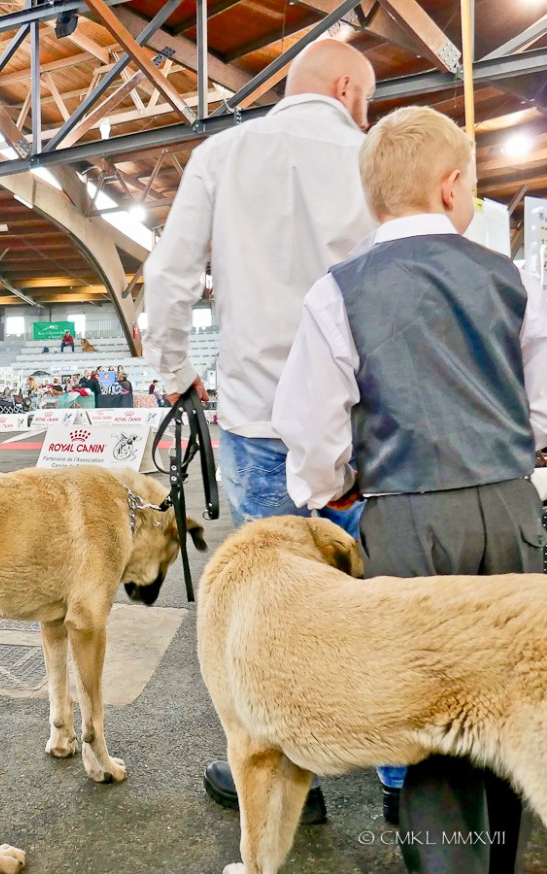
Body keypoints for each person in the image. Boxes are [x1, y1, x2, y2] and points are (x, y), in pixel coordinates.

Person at [272, 105, 547, 874]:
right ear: (453, 186)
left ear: (373, 198)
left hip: (408, 519)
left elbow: (313, 432)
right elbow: (542, 405)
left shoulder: (339, 292)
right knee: (520, 711)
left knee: (433, 721)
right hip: (512, 509)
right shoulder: (512, 278)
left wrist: (331, 492)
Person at [142, 38, 377, 819]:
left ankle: (283, 783)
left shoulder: (223, 152)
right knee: (381, 594)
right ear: (346, 87)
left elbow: (169, 274)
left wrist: (176, 373)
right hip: (364, 422)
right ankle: (401, 778)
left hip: (258, 417)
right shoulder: (372, 153)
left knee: (270, 612)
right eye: (365, 99)